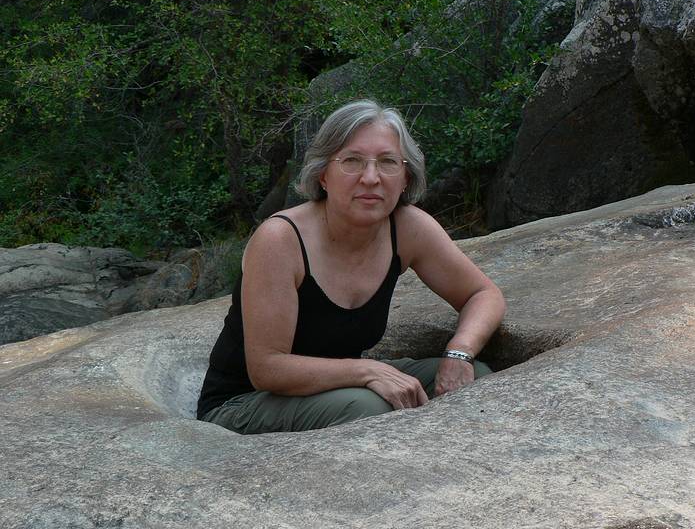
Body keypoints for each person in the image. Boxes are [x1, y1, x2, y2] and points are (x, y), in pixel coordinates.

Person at [197, 99, 505, 434]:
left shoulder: (407, 228)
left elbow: (482, 293)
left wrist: (459, 354)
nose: (371, 178)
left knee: (478, 379)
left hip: (338, 387)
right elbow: (267, 368)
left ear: (405, 177)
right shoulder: (280, 240)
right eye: (352, 161)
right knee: (371, 408)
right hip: (246, 403)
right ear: (324, 174)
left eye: (387, 162)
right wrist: (368, 372)